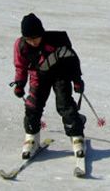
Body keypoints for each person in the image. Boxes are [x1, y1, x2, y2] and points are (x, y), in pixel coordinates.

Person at [11, 13, 86, 159]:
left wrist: (77, 80)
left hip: (60, 75)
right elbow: (20, 66)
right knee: (32, 105)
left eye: (35, 38)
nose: (33, 42)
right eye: (29, 39)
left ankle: (77, 137)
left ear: (42, 33)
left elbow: (72, 61)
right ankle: (32, 138)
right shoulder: (21, 46)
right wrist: (20, 83)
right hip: (38, 76)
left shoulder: (56, 42)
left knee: (65, 105)